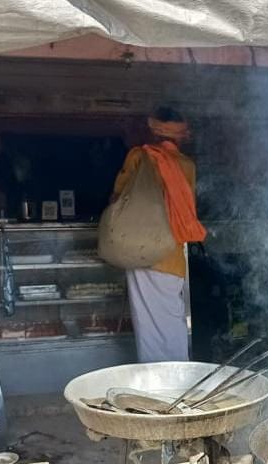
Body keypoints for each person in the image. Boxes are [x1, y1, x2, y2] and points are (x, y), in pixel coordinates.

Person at [110, 106, 205, 363]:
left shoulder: (139, 156)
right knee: (173, 319)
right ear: (180, 134)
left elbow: (119, 198)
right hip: (173, 252)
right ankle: (178, 378)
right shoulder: (187, 165)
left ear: (153, 130)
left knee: (150, 327)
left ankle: (158, 385)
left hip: (142, 250)